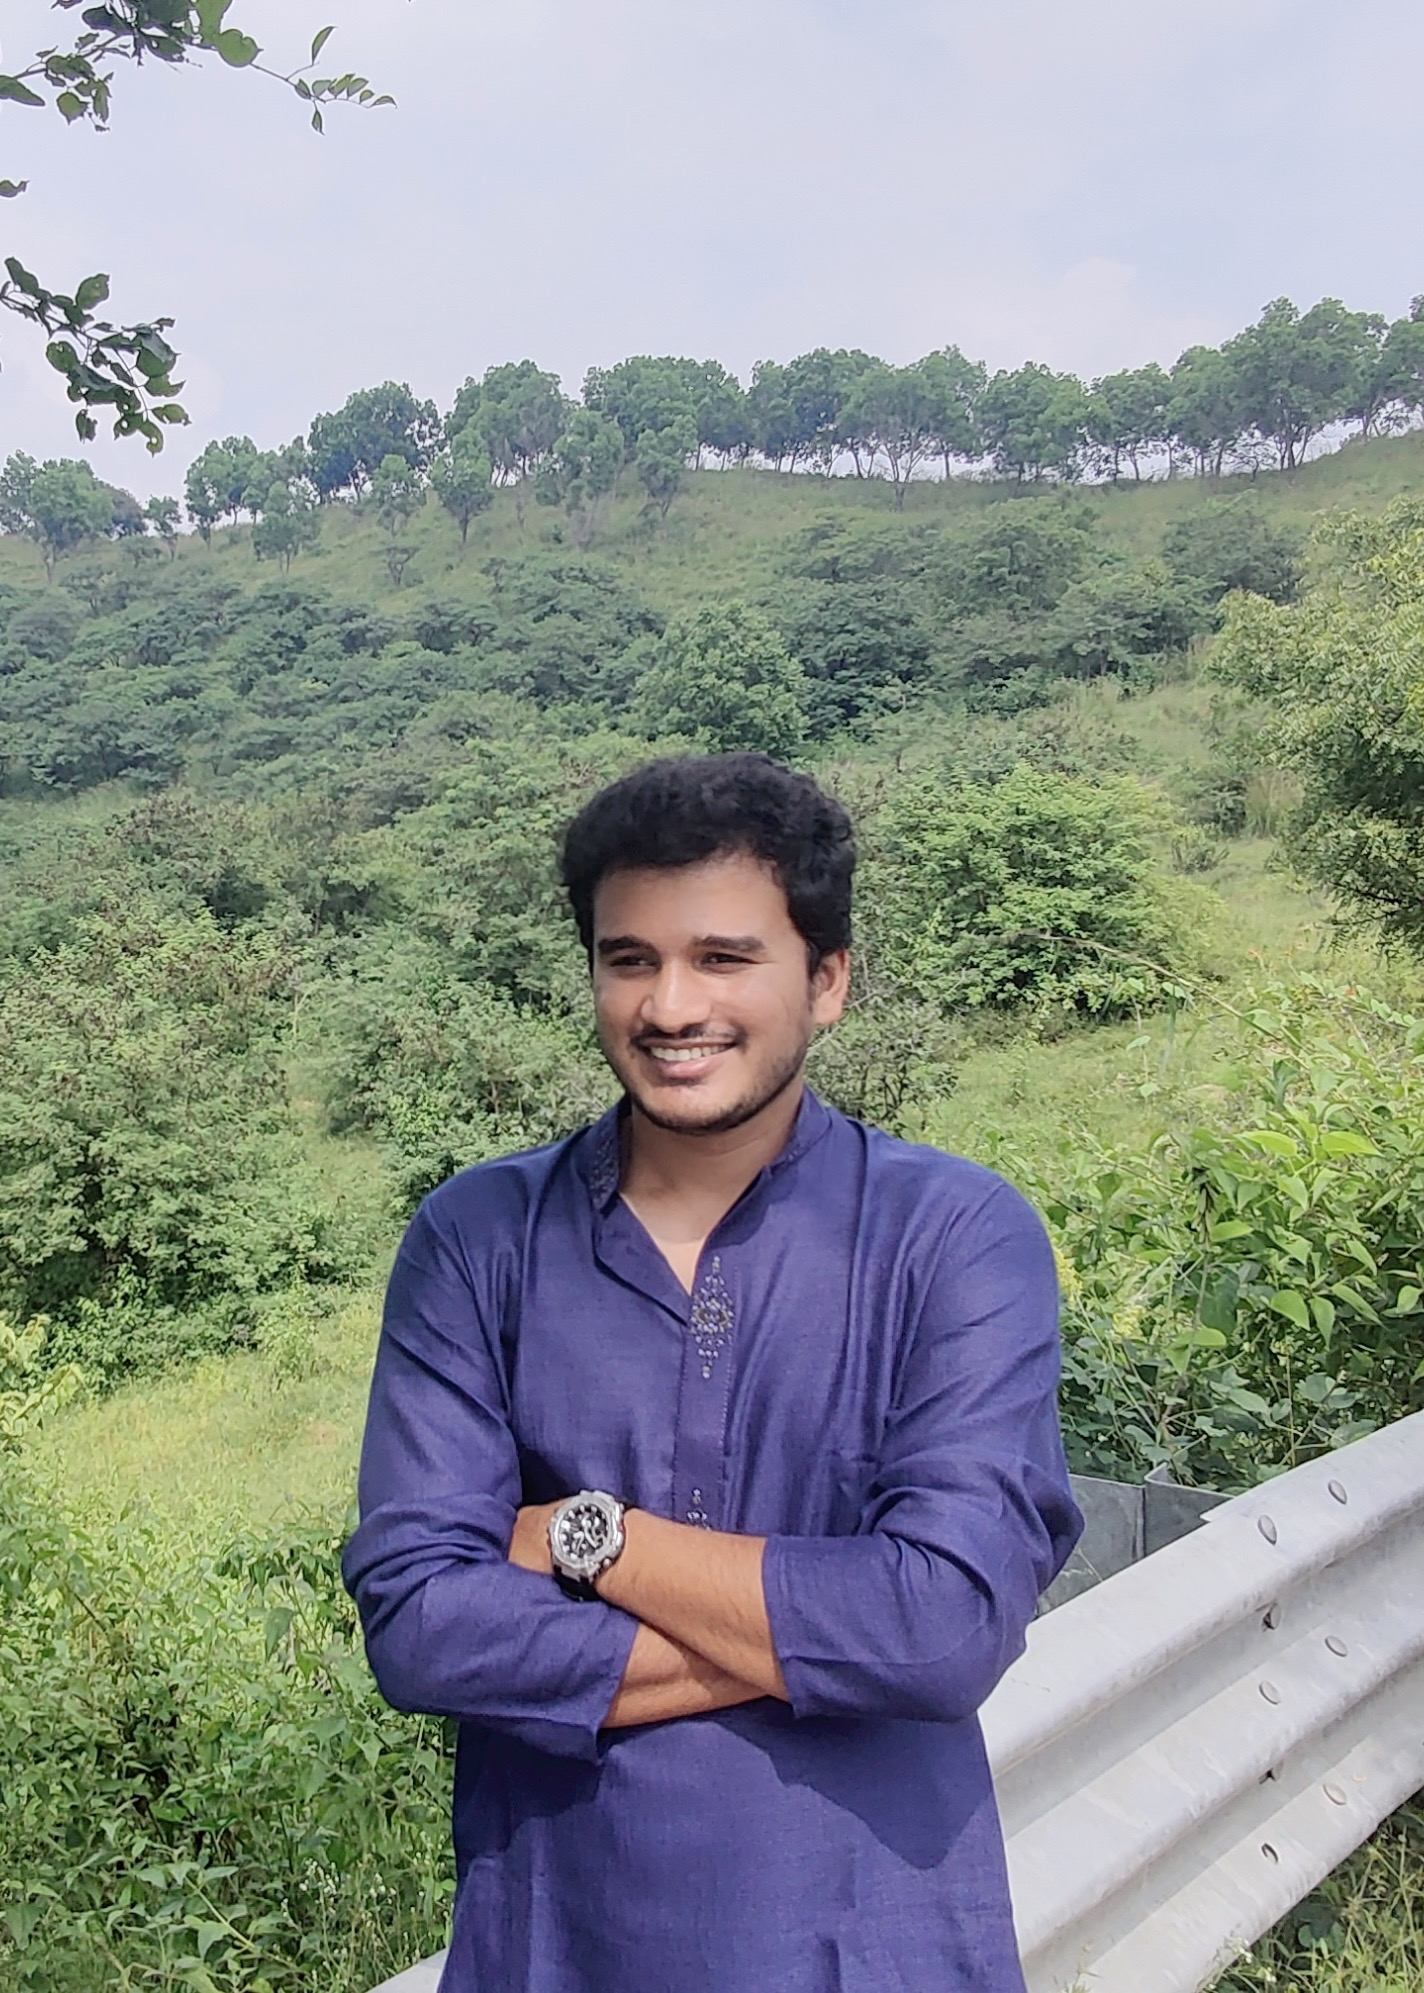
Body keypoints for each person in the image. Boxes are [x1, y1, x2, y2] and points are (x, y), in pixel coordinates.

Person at [343, 752, 1082, 1993]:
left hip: (876, 1949)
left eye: (724, 957)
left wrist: (584, 1537)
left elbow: (944, 1626)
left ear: (828, 979)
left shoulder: (950, 1236)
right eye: (629, 958)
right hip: (554, 1948)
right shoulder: (478, 1240)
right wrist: (826, 1631)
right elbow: (420, 1624)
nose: (670, 1004)